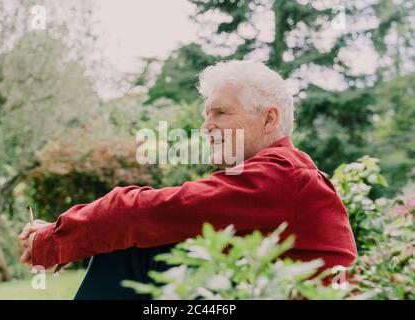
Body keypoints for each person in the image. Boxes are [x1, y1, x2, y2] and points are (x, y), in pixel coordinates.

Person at [18, 60, 357, 299]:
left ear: (269, 119)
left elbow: (148, 212)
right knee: (138, 247)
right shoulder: (277, 175)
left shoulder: (283, 174)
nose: (205, 126)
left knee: (130, 249)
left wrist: (52, 240)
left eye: (220, 113)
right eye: (206, 115)